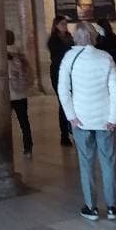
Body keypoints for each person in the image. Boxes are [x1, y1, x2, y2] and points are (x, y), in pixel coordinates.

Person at [58, 22, 116, 221]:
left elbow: (63, 89)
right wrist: (113, 117)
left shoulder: (69, 57)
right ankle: (112, 206)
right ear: (94, 37)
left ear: (76, 37)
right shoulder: (105, 57)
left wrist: (71, 116)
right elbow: (115, 90)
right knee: (108, 162)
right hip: (105, 119)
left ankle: (91, 207)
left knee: (86, 163)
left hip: (82, 119)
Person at [48, 15, 74, 146]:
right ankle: (64, 135)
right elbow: (60, 55)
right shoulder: (53, 40)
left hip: (71, 73)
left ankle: (73, 128)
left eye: (66, 23)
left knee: (73, 101)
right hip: (58, 73)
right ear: (56, 25)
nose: (65, 26)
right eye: (63, 24)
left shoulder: (69, 37)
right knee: (63, 103)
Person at [6, 30, 33, 157]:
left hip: (7, 94)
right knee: (24, 122)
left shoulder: (1, 54)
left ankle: (4, 148)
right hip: (21, 94)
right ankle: (28, 148)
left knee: (4, 124)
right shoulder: (20, 53)